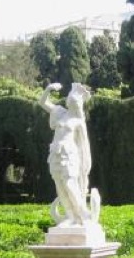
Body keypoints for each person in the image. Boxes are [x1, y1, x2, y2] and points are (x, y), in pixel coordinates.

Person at [39, 82, 93, 225]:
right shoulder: (59, 112)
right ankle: (70, 216)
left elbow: (84, 144)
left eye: (75, 101)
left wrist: (84, 163)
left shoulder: (79, 121)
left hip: (69, 154)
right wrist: (48, 89)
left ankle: (83, 214)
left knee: (69, 183)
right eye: (70, 99)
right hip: (55, 152)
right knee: (60, 185)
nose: (72, 102)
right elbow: (43, 103)